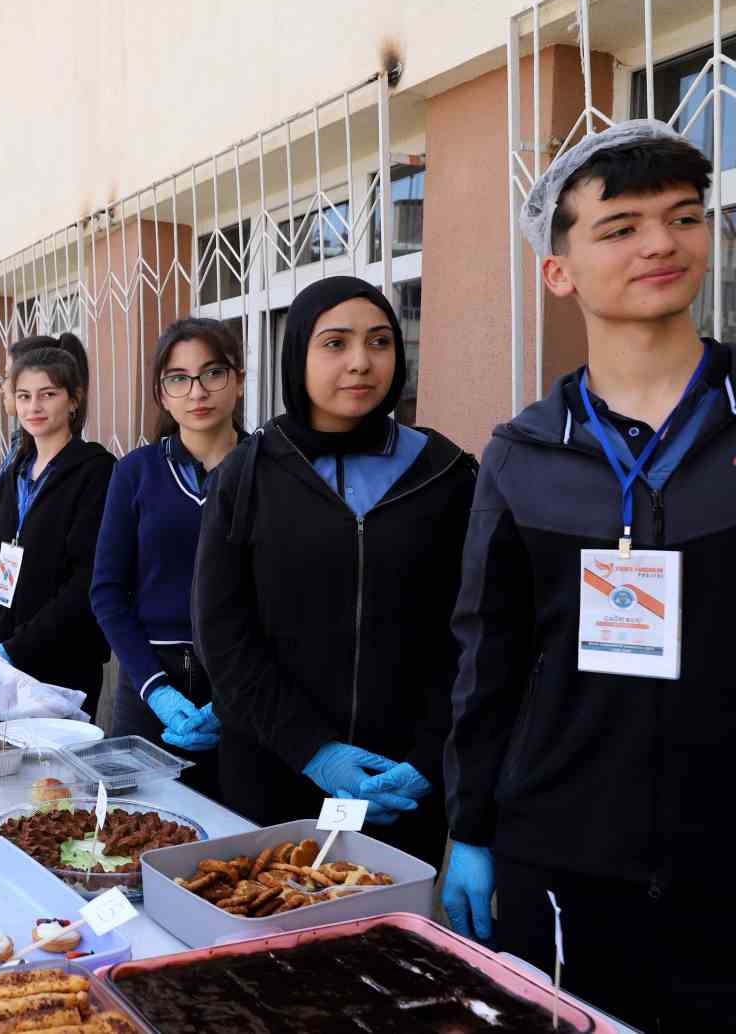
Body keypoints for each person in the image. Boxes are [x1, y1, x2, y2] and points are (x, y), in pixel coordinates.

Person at [443, 121, 736, 1030]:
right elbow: (488, 658)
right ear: (558, 270)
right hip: (561, 854)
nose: (661, 243)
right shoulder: (523, 454)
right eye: (620, 227)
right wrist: (470, 828)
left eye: (684, 218)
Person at [193, 275, 476, 865]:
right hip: (275, 769)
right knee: (264, 934)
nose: (360, 363)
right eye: (335, 343)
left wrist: (428, 761)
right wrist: (313, 749)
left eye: (379, 342)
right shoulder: (250, 473)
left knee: (389, 943)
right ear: (297, 354)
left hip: (400, 784)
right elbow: (224, 632)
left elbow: (469, 631)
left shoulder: (444, 473)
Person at [91, 319, 245, 790]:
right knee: (135, 829)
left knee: (238, 838)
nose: (197, 391)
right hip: (149, 680)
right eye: (179, 378)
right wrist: (156, 690)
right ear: (162, 393)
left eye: (213, 373)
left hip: (244, 684)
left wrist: (233, 697)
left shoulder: (269, 470)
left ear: (238, 379)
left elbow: (289, 598)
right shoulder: (135, 472)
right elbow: (107, 592)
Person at [0, 346, 115, 714]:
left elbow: (86, 579)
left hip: (62, 659)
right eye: (24, 396)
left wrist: (18, 648)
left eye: (49, 394)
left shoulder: (97, 471)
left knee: (54, 769)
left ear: (74, 400)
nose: (35, 407)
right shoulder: (14, 472)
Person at [0, 333, 90, 565]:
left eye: (7, 376)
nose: (3, 387)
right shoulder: (20, 456)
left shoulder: (85, 469)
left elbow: (42, 545)